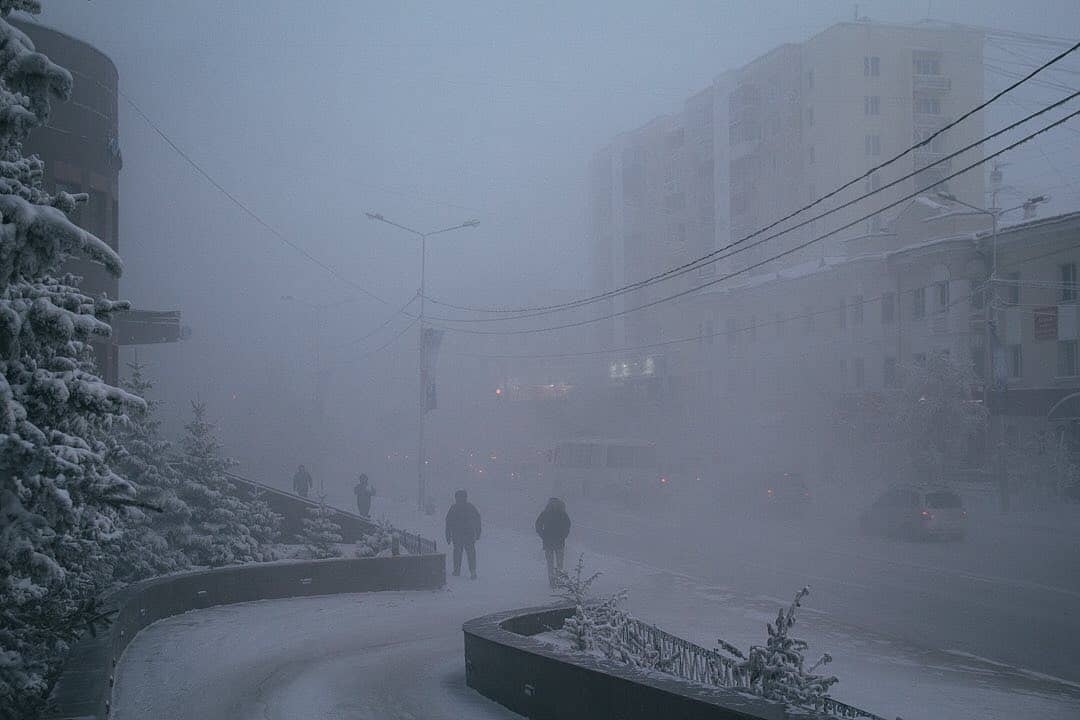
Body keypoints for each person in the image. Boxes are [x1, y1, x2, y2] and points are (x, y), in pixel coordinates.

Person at [535, 497, 571, 588]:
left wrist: (543, 535)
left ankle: (554, 582)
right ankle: (556, 582)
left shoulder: (546, 513)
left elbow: (538, 525)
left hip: (550, 542)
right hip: (557, 542)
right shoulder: (561, 513)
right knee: (557, 564)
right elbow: (567, 525)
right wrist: (564, 535)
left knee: (552, 564)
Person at [444, 489, 481, 579]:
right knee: (471, 553)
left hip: (457, 535)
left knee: (457, 553)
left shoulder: (453, 508)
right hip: (469, 534)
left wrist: (448, 535)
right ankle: (472, 571)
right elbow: (477, 520)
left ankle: (457, 571)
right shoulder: (470, 507)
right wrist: (478, 532)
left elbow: (448, 523)